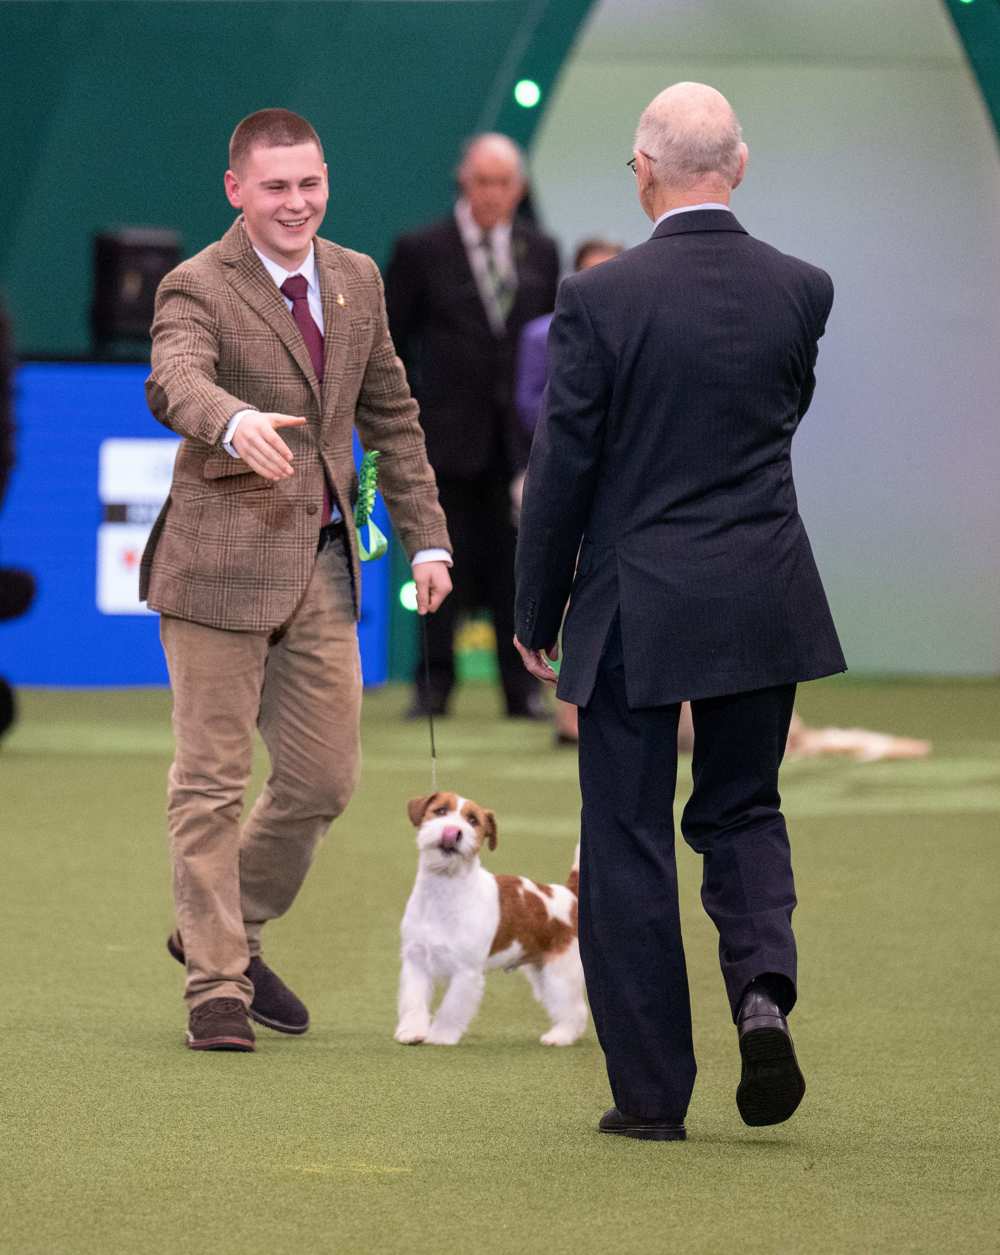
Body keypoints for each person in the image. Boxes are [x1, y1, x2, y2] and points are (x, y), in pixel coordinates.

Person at [514, 82, 846, 1139]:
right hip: (762, 594)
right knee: (743, 809)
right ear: (736, 165)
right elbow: (777, 419)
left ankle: (652, 1097)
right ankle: (761, 994)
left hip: (633, 606)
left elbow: (562, 465)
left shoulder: (598, 298)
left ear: (643, 169)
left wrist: (535, 604)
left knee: (625, 840)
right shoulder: (804, 289)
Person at [142, 109, 452, 1051]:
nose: (296, 203)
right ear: (236, 189)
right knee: (211, 783)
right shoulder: (194, 283)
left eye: (309, 183)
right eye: (275, 186)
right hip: (216, 571)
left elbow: (392, 415)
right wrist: (230, 420)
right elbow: (173, 377)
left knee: (324, 778)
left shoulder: (357, 278)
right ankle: (216, 982)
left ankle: (219, 920)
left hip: (323, 567)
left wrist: (428, 538)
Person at [385, 134, 559, 720]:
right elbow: (391, 343)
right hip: (441, 439)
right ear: (464, 180)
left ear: (520, 188)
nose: (493, 194)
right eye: (482, 181)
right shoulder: (420, 249)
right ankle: (432, 685)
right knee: (438, 559)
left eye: (504, 182)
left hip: (520, 442)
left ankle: (522, 688)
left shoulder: (543, 252)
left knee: (518, 566)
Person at [514, 238, 623, 744]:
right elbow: (528, 402)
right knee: (565, 577)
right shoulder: (542, 333)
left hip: (623, 487)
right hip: (556, 474)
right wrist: (579, 426)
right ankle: (567, 715)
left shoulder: (640, 327)